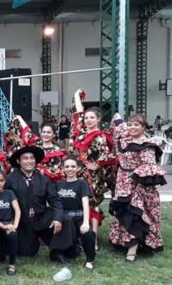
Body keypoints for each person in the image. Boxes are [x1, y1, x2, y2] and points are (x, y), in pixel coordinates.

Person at [109, 114, 166, 261]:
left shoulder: (147, 145)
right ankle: (126, 242)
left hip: (139, 184)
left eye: (136, 125)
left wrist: (135, 179)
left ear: (144, 127)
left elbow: (148, 166)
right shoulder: (124, 140)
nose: (132, 127)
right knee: (124, 212)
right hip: (122, 182)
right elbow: (118, 126)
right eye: (130, 124)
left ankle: (132, 249)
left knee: (136, 214)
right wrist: (118, 119)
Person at [6, 146, 74, 263]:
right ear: (19, 161)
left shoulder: (44, 179)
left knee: (65, 219)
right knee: (26, 252)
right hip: (22, 222)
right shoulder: (10, 179)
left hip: (41, 218)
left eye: (32, 158)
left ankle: (57, 251)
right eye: (25, 158)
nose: (29, 161)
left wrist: (57, 218)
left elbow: (55, 200)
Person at [71, 89, 118, 247]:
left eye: (92, 118)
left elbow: (106, 155)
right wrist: (77, 96)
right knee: (79, 203)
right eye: (87, 118)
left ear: (98, 119)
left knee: (93, 204)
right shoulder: (82, 131)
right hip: (78, 173)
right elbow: (79, 113)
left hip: (93, 176)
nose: (88, 120)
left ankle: (94, 238)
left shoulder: (100, 136)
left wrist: (95, 165)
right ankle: (80, 235)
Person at [56, 157, 96, 269]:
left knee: (88, 234)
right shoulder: (59, 185)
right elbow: (56, 204)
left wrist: (86, 223)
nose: (70, 169)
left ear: (78, 168)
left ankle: (90, 259)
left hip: (79, 217)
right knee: (70, 253)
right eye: (67, 166)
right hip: (65, 220)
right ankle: (70, 249)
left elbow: (85, 203)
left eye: (73, 166)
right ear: (63, 168)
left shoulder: (82, 183)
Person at [7, 116, 66, 182]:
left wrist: (42, 170)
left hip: (49, 182)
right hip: (32, 180)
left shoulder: (56, 150)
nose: (45, 134)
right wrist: (20, 118)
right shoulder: (37, 143)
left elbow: (56, 170)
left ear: (54, 134)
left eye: (49, 132)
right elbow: (28, 131)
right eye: (44, 132)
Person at [0, 170, 20, 276]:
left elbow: (17, 210)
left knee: (12, 235)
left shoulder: (9, 193)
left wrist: (14, 225)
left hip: (8, 224)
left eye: (1, 180)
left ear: (5, 181)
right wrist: (2, 226)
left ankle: (12, 264)